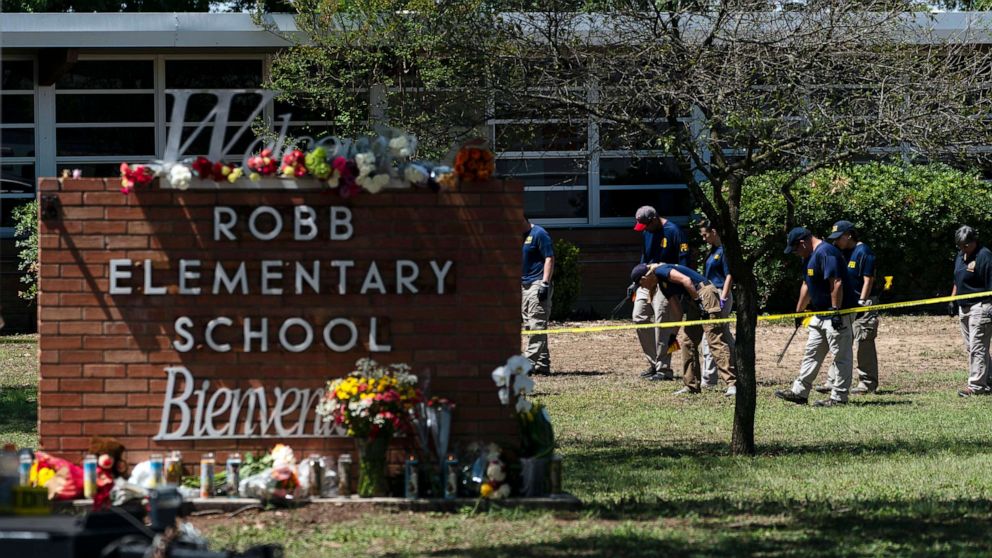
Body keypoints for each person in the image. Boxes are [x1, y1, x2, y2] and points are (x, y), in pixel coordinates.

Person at [775, 227, 858, 407]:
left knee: (841, 356)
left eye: (796, 249)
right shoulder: (808, 257)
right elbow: (807, 285)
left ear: (803, 242)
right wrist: (799, 312)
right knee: (811, 353)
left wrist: (835, 311)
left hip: (837, 314)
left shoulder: (826, 253)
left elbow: (836, 282)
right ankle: (800, 391)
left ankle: (839, 397)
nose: (796, 253)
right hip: (819, 315)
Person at [630, 261, 734, 396]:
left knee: (714, 340)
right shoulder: (662, 285)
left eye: (641, 284)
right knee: (687, 342)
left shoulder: (661, 270)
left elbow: (686, 280)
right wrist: (673, 335)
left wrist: (699, 303)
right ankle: (691, 386)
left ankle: (733, 384)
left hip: (704, 294)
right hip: (694, 299)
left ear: (644, 279)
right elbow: (678, 312)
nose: (642, 287)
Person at [820, 220, 880, 395]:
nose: (836, 242)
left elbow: (868, 280)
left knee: (864, 341)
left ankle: (867, 383)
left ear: (849, 235)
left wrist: (862, 301)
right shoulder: (842, 252)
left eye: (839, 238)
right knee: (841, 341)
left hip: (864, 303)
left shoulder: (864, 252)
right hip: (848, 304)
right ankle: (833, 380)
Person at [632, 206, 690, 382]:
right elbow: (644, 256)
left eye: (646, 225)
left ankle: (664, 369)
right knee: (639, 317)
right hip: (646, 279)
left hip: (666, 280)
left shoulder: (674, 232)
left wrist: (678, 286)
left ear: (655, 219)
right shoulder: (646, 232)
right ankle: (654, 362)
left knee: (662, 323)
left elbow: (684, 262)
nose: (645, 229)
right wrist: (636, 281)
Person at [948, 225, 992, 397]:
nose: (962, 248)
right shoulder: (961, 255)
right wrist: (953, 299)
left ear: (974, 241)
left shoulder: (985, 256)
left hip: (981, 307)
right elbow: (957, 279)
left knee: (978, 347)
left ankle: (976, 386)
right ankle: (988, 378)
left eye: (965, 245)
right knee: (971, 347)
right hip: (963, 307)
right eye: (960, 245)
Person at [698, 221, 736, 396]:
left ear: (714, 231)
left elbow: (729, 274)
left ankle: (709, 378)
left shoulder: (724, 251)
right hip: (709, 294)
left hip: (719, 294)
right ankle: (736, 368)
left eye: (705, 234)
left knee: (711, 335)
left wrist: (724, 296)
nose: (704, 238)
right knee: (725, 335)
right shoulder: (712, 252)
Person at [522, 219, 555, 375]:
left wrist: (545, 283)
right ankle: (542, 364)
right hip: (523, 285)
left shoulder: (539, 233)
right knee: (530, 326)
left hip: (537, 283)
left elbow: (549, 258)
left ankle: (527, 364)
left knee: (537, 324)